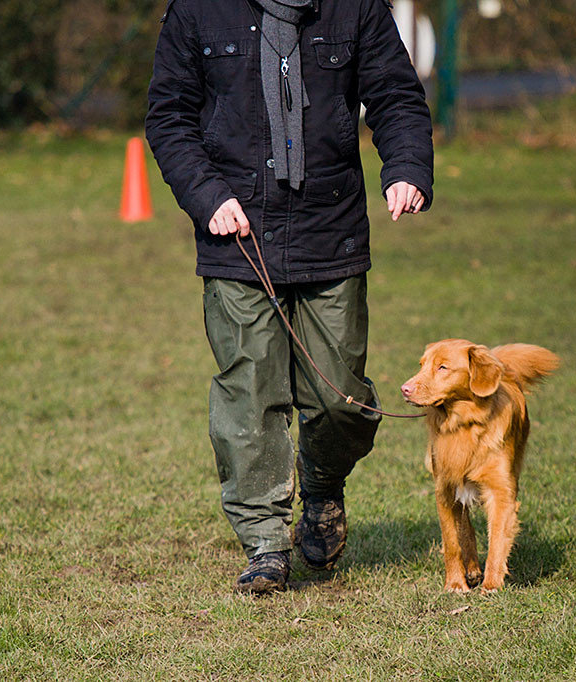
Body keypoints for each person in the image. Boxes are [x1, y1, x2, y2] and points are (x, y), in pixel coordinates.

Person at [145, 0, 434, 594]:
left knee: (341, 401)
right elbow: (169, 117)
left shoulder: (356, 8)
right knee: (249, 390)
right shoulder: (198, 11)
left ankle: (323, 484)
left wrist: (406, 168)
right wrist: (207, 196)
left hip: (331, 231)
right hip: (236, 233)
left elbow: (396, 97)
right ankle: (265, 545)